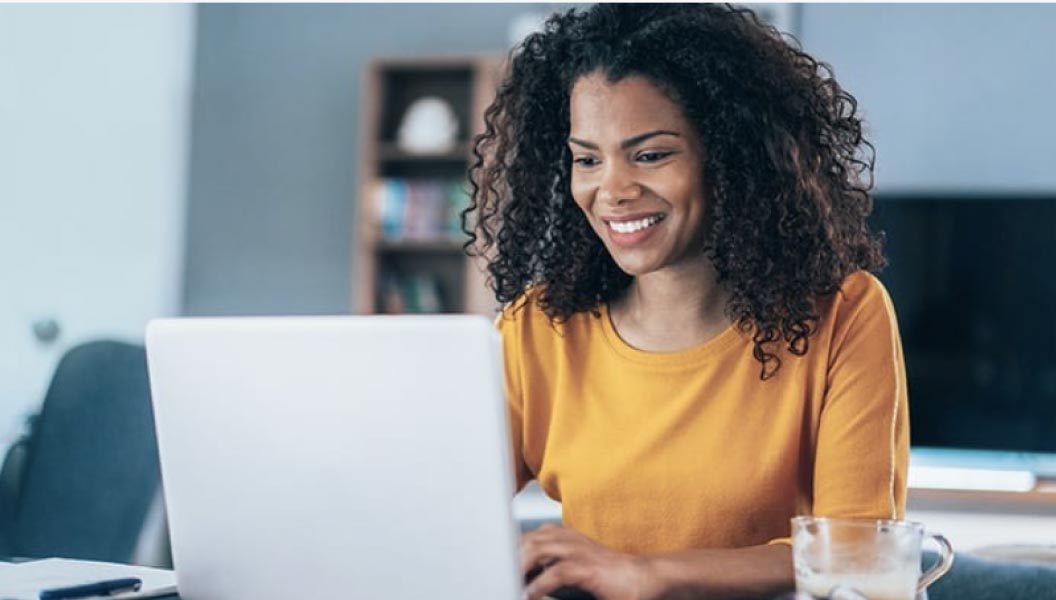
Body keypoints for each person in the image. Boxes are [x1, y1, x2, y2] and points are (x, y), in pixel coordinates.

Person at [463, 4, 908, 599]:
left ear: (728, 157)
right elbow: (445, 509)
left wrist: (646, 574)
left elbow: (859, 551)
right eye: (588, 159)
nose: (613, 191)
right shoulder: (538, 330)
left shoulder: (844, 313)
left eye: (651, 155)